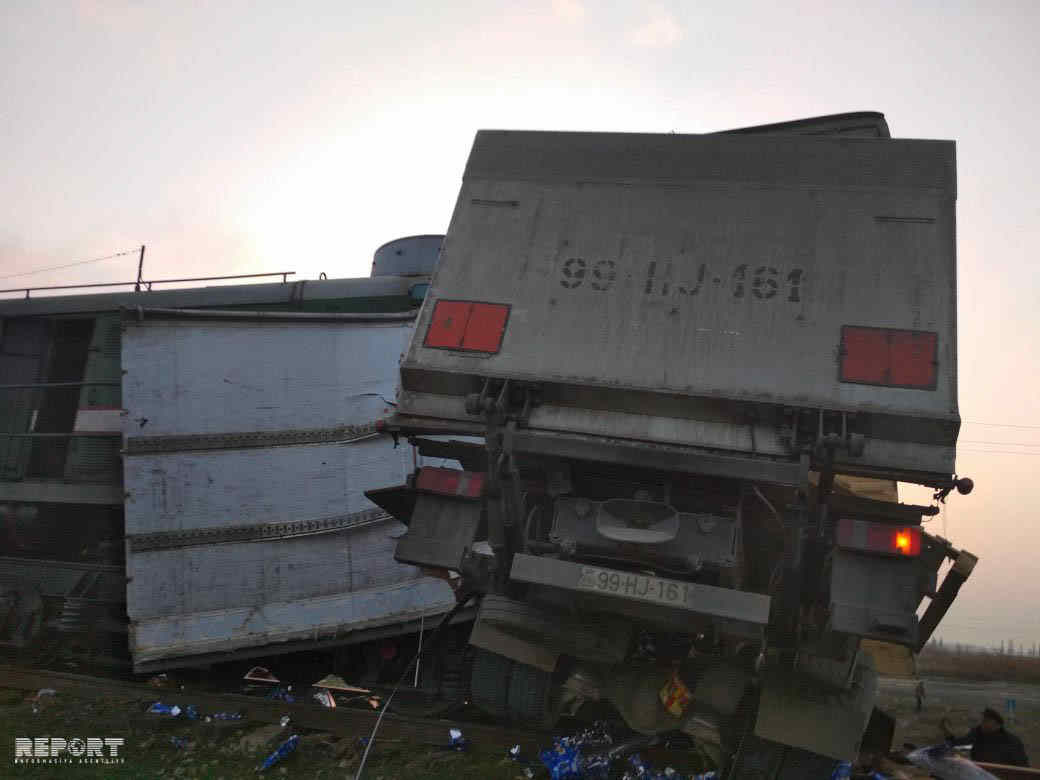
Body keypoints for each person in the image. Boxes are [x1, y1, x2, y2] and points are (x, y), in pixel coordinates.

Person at [941, 708, 1030, 766]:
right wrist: (946, 732)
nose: (983, 723)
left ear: (998, 725)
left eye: (987, 721)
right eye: (983, 720)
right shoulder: (977, 733)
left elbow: (1023, 765)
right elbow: (958, 744)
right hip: (979, 773)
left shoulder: (1012, 741)